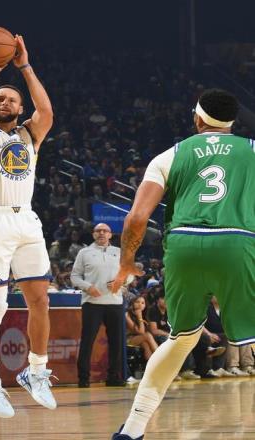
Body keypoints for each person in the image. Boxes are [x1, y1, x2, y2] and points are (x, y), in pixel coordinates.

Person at [111, 89, 254, 440]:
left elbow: (136, 219)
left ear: (198, 118)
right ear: (231, 122)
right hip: (237, 240)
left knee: (181, 339)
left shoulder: (169, 155)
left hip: (183, 244)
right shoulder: (251, 149)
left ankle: (133, 428)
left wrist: (126, 261)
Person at [0, 34, 55, 418]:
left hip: (27, 219)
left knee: (41, 300)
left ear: (20, 109)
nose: (4, 102)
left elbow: (47, 112)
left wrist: (25, 68)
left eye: (11, 99)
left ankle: (36, 371)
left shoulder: (29, 135)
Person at [71, 223, 126, 387]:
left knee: (117, 342)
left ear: (110, 234)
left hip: (115, 302)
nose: (101, 233)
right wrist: (87, 287)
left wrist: (119, 282)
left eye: (105, 231)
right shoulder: (84, 252)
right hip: (92, 303)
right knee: (87, 341)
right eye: (98, 231)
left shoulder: (119, 252)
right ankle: (83, 379)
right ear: (93, 234)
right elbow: (75, 276)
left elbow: (128, 275)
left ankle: (114, 377)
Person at [126, 296, 158, 361]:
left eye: (143, 303)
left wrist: (140, 316)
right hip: (126, 339)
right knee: (147, 335)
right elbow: (141, 332)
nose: (140, 304)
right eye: (137, 302)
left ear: (145, 306)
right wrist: (139, 316)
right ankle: (162, 358)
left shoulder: (144, 314)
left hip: (138, 338)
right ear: (132, 303)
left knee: (145, 345)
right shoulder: (126, 315)